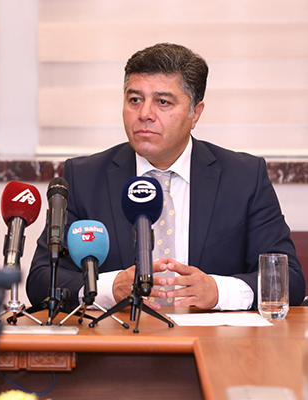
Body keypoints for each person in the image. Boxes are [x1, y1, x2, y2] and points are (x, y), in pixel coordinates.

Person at [26, 43, 305, 311]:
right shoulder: (84, 178)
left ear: (195, 113)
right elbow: (41, 280)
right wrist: (110, 288)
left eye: (162, 102)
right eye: (135, 100)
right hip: (121, 338)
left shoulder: (243, 177)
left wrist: (218, 291)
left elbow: (288, 279)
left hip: (210, 339)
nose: (145, 114)